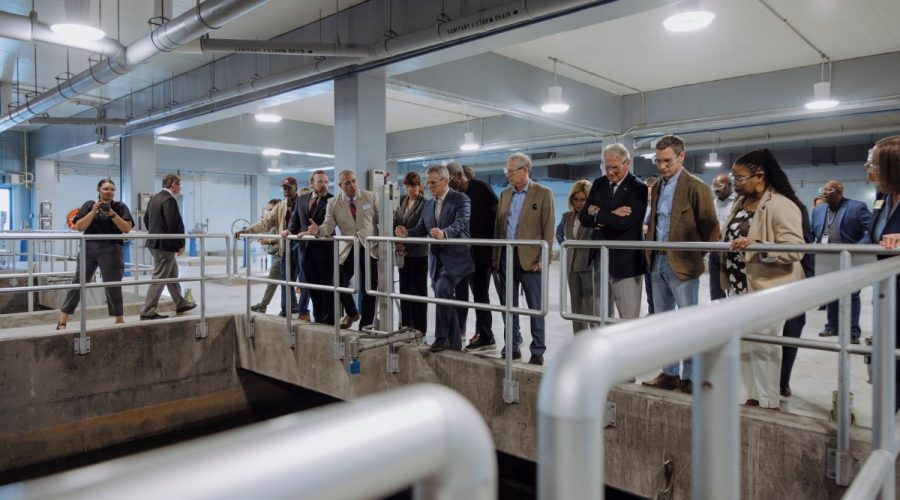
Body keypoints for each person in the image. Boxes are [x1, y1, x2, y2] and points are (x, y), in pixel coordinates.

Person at [721, 149, 805, 410]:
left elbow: (795, 248)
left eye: (740, 178)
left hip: (768, 288)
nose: (735, 183)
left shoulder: (781, 204)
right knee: (746, 344)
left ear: (759, 176)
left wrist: (759, 245)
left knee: (764, 348)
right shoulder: (741, 203)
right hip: (739, 286)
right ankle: (753, 396)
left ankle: (769, 402)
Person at [642, 135, 719, 394]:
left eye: (667, 161)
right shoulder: (659, 187)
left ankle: (691, 376)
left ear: (681, 156)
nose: (662, 166)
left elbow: (710, 228)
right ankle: (669, 373)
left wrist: (696, 259)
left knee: (688, 323)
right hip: (657, 261)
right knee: (664, 323)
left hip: (683, 264)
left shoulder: (696, 187)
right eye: (658, 161)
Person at [396, 165, 472, 351]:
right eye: (428, 182)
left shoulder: (460, 199)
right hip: (436, 259)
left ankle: (441, 337)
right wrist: (406, 233)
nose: (429, 186)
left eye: (433, 182)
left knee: (442, 289)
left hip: (456, 258)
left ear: (446, 181)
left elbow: (461, 223)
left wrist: (445, 233)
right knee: (443, 295)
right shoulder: (429, 204)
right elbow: (422, 228)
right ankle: (454, 343)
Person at [493, 152, 555, 365]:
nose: (508, 175)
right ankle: (512, 344)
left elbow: (548, 229)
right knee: (508, 307)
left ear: (525, 170)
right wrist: (496, 256)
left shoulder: (543, 193)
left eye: (512, 171)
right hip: (506, 259)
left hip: (531, 261)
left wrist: (543, 259)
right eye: (507, 171)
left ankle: (537, 350)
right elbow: (498, 229)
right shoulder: (505, 195)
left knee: (536, 308)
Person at [581, 143, 648, 321]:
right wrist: (610, 214)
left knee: (628, 317)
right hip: (599, 259)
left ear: (627, 164)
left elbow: (624, 222)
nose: (610, 172)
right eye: (607, 167)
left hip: (626, 262)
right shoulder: (599, 183)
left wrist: (597, 212)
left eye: (615, 168)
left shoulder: (638, 188)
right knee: (600, 316)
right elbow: (583, 218)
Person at [307, 170, 380, 330]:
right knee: (338, 282)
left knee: (369, 289)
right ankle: (352, 311)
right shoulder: (333, 203)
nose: (352, 185)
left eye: (354, 181)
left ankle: (365, 326)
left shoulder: (370, 197)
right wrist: (317, 230)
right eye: (347, 182)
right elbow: (328, 226)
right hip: (349, 247)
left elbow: (382, 220)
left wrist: (386, 244)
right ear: (340, 186)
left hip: (370, 247)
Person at [57, 179, 134, 329]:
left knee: (113, 285)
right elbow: (79, 226)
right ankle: (62, 320)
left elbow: (126, 229)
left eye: (112, 189)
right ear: (98, 190)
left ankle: (119, 320)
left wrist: (112, 213)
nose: (109, 192)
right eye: (105, 189)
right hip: (89, 249)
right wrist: (93, 211)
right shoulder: (88, 205)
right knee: (78, 283)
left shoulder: (120, 207)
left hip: (112, 250)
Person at [447, 162, 499, 352]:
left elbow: (499, 212)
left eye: (452, 181)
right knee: (474, 294)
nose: (451, 186)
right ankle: (481, 333)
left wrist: (496, 246)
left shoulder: (480, 187)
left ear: (460, 176)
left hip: (483, 251)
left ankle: (486, 336)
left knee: (480, 294)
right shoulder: (457, 196)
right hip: (467, 251)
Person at [235, 176, 304, 319]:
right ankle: (286, 310)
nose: (286, 191)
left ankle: (304, 312)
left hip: (303, 247)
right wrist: (248, 231)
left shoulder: (303, 202)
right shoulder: (281, 206)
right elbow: (266, 222)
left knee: (305, 282)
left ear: (295, 188)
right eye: (284, 189)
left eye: (289, 188)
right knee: (285, 281)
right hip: (286, 248)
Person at [811, 180, 872, 343]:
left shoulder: (857, 207)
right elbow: (812, 232)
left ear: (839, 192)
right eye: (822, 189)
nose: (824, 193)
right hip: (826, 257)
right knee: (830, 293)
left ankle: (852, 332)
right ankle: (832, 326)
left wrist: (858, 248)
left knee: (851, 295)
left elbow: (871, 230)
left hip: (850, 257)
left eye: (829, 190)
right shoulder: (818, 210)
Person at [866, 135, 900, 412]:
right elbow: (871, 238)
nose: (870, 169)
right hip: (886, 294)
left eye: (875, 163)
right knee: (888, 369)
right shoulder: (884, 198)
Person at [141, 174, 196, 320]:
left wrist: (155, 232)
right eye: (180, 185)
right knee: (160, 277)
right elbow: (173, 223)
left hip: (155, 242)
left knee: (172, 273)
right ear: (173, 185)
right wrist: (179, 243)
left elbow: (146, 219)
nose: (180, 188)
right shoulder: (169, 199)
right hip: (165, 245)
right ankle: (148, 310)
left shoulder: (154, 198)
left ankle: (180, 303)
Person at [288, 170, 335, 324]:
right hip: (306, 252)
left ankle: (330, 322)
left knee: (326, 289)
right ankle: (319, 319)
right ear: (311, 183)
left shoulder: (332, 200)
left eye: (326, 182)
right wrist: (289, 230)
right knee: (313, 289)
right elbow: (295, 221)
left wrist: (316, 232)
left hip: (325, 251)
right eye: (320, 182)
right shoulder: (301, 200)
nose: (324, 185)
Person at [393, 172, 428, 335]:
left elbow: (423, 230)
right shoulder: (401, 200)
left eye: (413, 186)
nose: (410, 189)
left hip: (418, 253)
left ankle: (420, 327)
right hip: (403, 254)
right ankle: (406, 324)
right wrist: (396, 238)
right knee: (404, 290)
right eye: (407, 186)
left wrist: (405, 245)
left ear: (419, 186)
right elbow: (396, 221)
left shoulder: (426, 204)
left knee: (418, 292)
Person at [559, 179, 597, 333]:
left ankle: (596, 344)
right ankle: (580, 342)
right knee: (576, 308)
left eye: (583, 200)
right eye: (576, 199)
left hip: (589, 266)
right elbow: (559, 233)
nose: (579, 203)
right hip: (571, 266)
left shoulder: (595, 216)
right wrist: (567, 247)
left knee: (592, 308)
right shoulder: (566, 217)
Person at [250, 199, 283, 313]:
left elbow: (282, 238)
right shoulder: (273, 221)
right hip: (276, 253)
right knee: (285, 283)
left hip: (282, 254)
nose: (269, 212)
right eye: (268, 210)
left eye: (271, 209)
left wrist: (268, 241)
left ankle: (263, 306)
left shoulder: (283, 220)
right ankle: (291, 307)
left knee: (273, 281)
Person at [710, 173, 737, 301]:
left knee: (733, 283)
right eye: (714, 187)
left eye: (720, 186)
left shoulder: (738, 202)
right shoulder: (713, 204)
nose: (717, 189)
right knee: (716, 285)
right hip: (715, 249)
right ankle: (717, 313)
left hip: (733, 249)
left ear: (730, 185)